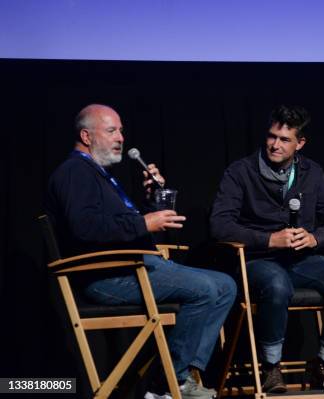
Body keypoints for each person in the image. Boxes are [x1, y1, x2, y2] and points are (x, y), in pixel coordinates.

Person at [45, 104, 237, 399]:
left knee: (225, 285)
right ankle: (165, 386)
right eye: (111, 130)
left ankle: (182, 376)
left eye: (120, 130)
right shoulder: (74, 173)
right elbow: (85, 229)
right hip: (108, 276)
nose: (120, 137)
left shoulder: (99, 174)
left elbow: (120, 224)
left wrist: (150, 202)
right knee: (205, 289)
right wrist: (144, 222)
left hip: (137, 265)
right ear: (86, 135)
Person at [210, 105, 324, 393]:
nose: (275, 145)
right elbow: (219, 225)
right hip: (256, 260)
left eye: (284, 139)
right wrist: (268, 239)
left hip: (302, 259)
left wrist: (316, 238)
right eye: (271, 137)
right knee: (277, 285)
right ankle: (270, 368)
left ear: (300, 143)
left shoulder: (312, 172)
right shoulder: (241, 172)